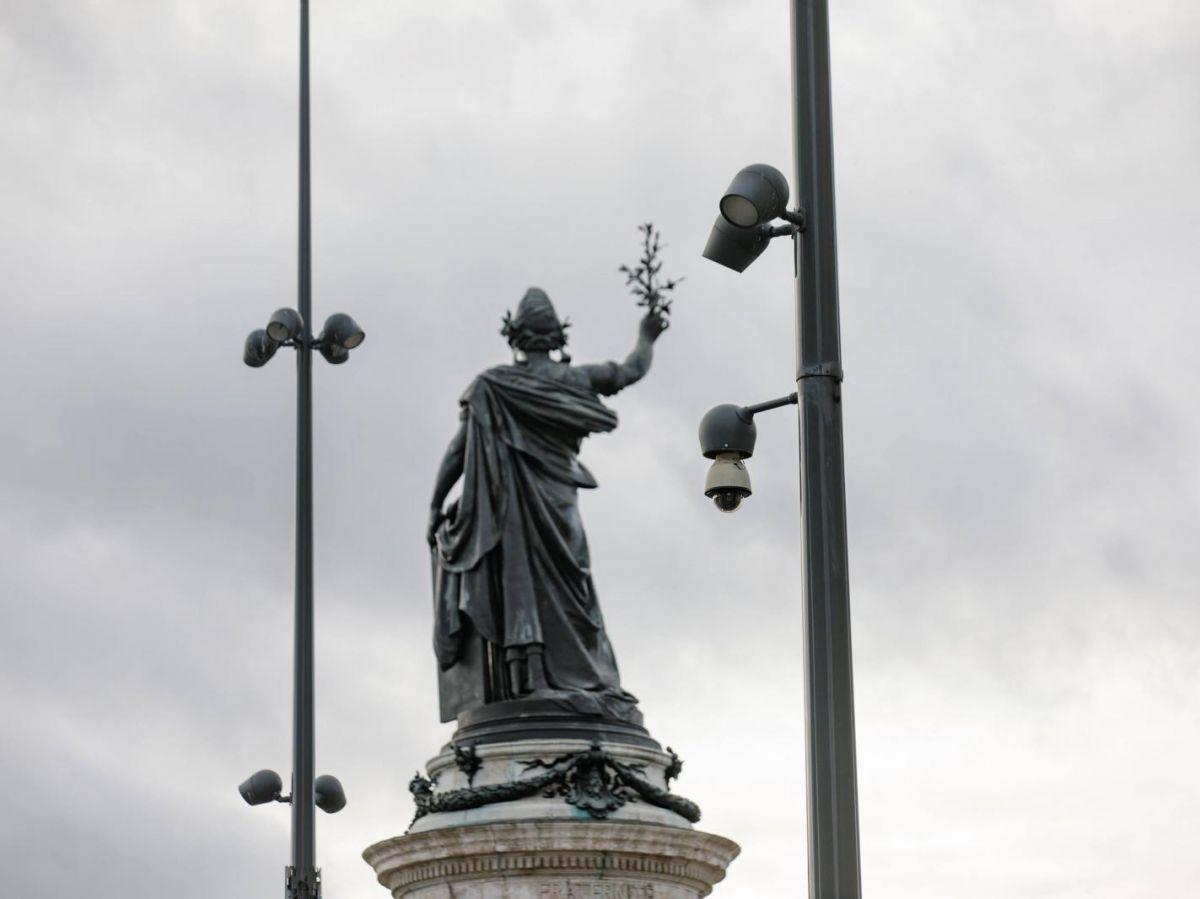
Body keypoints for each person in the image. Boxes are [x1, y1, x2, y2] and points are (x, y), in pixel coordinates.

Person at [427, 287, 668, 723]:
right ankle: (577, 679)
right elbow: (630, 371)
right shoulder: (572, 380)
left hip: (510, 509)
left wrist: (435, 504)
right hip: (560, 506)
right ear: (558, 336)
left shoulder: (491, 387)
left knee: (520, 582)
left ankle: (531, 676)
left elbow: (458, 450)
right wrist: (647, 335)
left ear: (514, 337)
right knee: (573, 591)